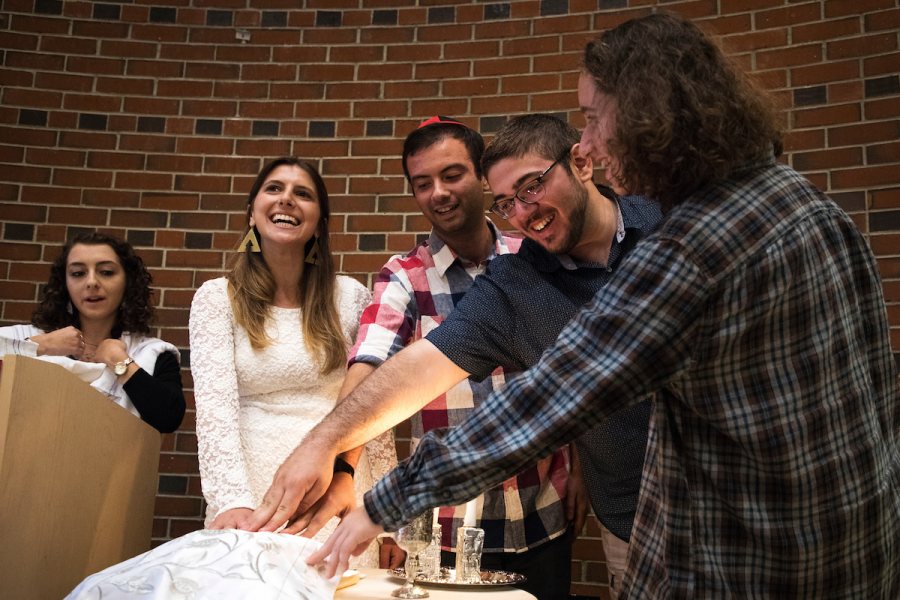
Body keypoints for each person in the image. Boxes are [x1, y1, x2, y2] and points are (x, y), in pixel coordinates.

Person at [284, 14, 898, 598]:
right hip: (858, 537)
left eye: (593, 119)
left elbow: (549, 396)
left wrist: (380, 502)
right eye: (508, 203)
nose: (591, 140)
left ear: (650, 116)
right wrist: (327, 441)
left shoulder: (684, 241)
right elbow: (419, 365)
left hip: (739, 550)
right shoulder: (802, 199)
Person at [249, 114, 661, 596]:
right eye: (510, 201)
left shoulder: (646, 225)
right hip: (466, 519)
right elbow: (390, 368)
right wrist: (330, 453)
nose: (525, 211)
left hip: (546, 507)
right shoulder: (500, 281)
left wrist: (582, 464)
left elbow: (555, 392)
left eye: (532, 187)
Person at [188, 157, 396, 568]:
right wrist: (230, 500)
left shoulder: (350, 297)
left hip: (341, 488)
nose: (288, 200)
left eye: (303, 194)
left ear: (319, 223)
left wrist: (388, 516)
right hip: (253, 488)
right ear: (252, 212)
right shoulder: (216, 299)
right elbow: (215, 411)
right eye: (274, 189)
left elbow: (374, 403)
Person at [0, 232, 184, 433]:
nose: (91, 282)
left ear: (127, 282)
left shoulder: (152, 353)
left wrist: (120, 361)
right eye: (78, 273)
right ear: (65, 284)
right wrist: (40, 345)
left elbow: (169, 418)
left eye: (106, 272)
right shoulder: (22, 336)